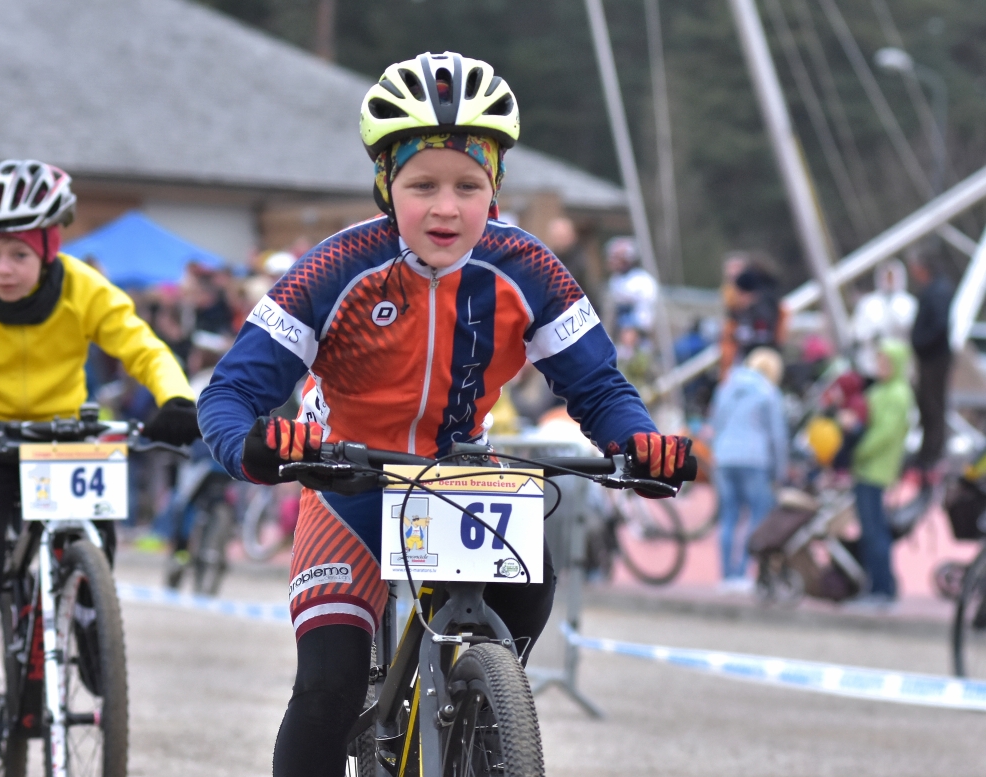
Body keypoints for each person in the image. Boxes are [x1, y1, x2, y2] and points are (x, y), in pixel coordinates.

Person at [195, 51, 692, 777]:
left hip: (459, 481)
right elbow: (228, 394)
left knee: (527, 594)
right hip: (348, 482)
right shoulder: (336, 268)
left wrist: (642, 443)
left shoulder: (529, 269)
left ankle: (475, 714)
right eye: (421, 184)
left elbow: (600, 389)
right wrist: (254, 446)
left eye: (469, 185)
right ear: (385, 185)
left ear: (496, 188)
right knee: (329, 686)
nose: (446, 208)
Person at [0, 159, 202, 777]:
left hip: (66, 439)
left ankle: (90, 611)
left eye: (18, 254)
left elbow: (141, 346)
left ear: (48, 247)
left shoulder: (83, 288)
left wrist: (176, 399)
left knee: (97, 548)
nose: (2, 269)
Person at [707, 347, 788, 590]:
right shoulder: (768, 392)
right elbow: (777, 436)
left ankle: (727, 575)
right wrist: (780, 471)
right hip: (755, 459)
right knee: (756, 517)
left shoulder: (727, 387)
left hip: (724, 457)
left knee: (728, 517)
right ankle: (744, 573)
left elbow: (716, 423)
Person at [846, 339, 914, 605]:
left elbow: (884, 434)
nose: (881, 366)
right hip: (866, 468)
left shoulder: (897, 393)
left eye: (886, 361)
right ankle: (876, 586)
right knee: (870, 531)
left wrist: (856, 451)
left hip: (875, 470)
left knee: (875, 532)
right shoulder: (880, 389)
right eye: (879, 361)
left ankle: (882, 590)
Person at [908, 254, 954, 482]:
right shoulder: (934, 289)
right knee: (927, 405)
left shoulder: (938, 291)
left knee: (933, 405)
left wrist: (920, 342)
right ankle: (927, 452)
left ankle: (932, 456)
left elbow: (939, 324)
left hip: (934, 358)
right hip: (930, 357)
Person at [851, 259, 916, 378]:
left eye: (892, 277)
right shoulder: (868, 303)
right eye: (886, 277)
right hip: (873, 363)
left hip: (902, 363)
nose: (888, 281)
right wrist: (872, 335)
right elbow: (858, 331)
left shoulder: (909, 303)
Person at [605, 235, 659, 338]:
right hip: (619, 331)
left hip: (636, 334)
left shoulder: (642, 281)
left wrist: (633, 331)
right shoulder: (615, 279)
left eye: (616, 257)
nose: (611, 261)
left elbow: (645, 317)